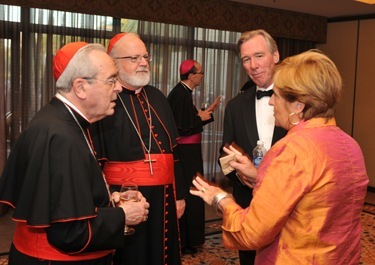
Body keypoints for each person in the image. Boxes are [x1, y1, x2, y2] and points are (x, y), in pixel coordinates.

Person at [191, 49, 369, 264]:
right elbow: (315, 196)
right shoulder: (351, 145)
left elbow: (251, 232)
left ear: (299, 105)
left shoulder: (291, 150)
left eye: (276, 95)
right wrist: (260, 176)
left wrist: (220, 199)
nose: (271, 103)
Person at [0, 42, 150, 265]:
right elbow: (70, 233)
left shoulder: (63, 122)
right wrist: (123, 216)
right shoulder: (61, 137)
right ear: (80, 87)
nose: (118, 87)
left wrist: (111, 202)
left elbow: (62, 199)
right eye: (111, 80)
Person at [90, 32, 186, 265]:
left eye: (145, 57)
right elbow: (94, 163)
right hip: (125, 198)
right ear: (114, 63)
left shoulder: (157, 96)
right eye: (134, 58)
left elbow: (174, 155)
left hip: (164, 196)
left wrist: (180, 195)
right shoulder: (105, 100)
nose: (143, 63)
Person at [219, 29, 287, 264]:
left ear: (275, 56)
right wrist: (238, 173)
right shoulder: (235, 106)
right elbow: (224, 155)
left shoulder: (300, 101)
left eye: (259, 56)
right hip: (248, 203)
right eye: (246, 59)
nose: (253, 65)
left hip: (289, 206)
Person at [167, 60, 220, 254]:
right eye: (201, 72)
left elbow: (188, 122)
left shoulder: (183, 93)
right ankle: (186, 240)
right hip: (186, 155)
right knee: (191, 193)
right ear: (191, 76)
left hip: (190, 153)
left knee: (194, 192)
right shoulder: (180, 94)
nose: (202, 76)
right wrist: (201, 118)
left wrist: (206, 114)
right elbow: (183, 128)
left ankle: (190, 239)